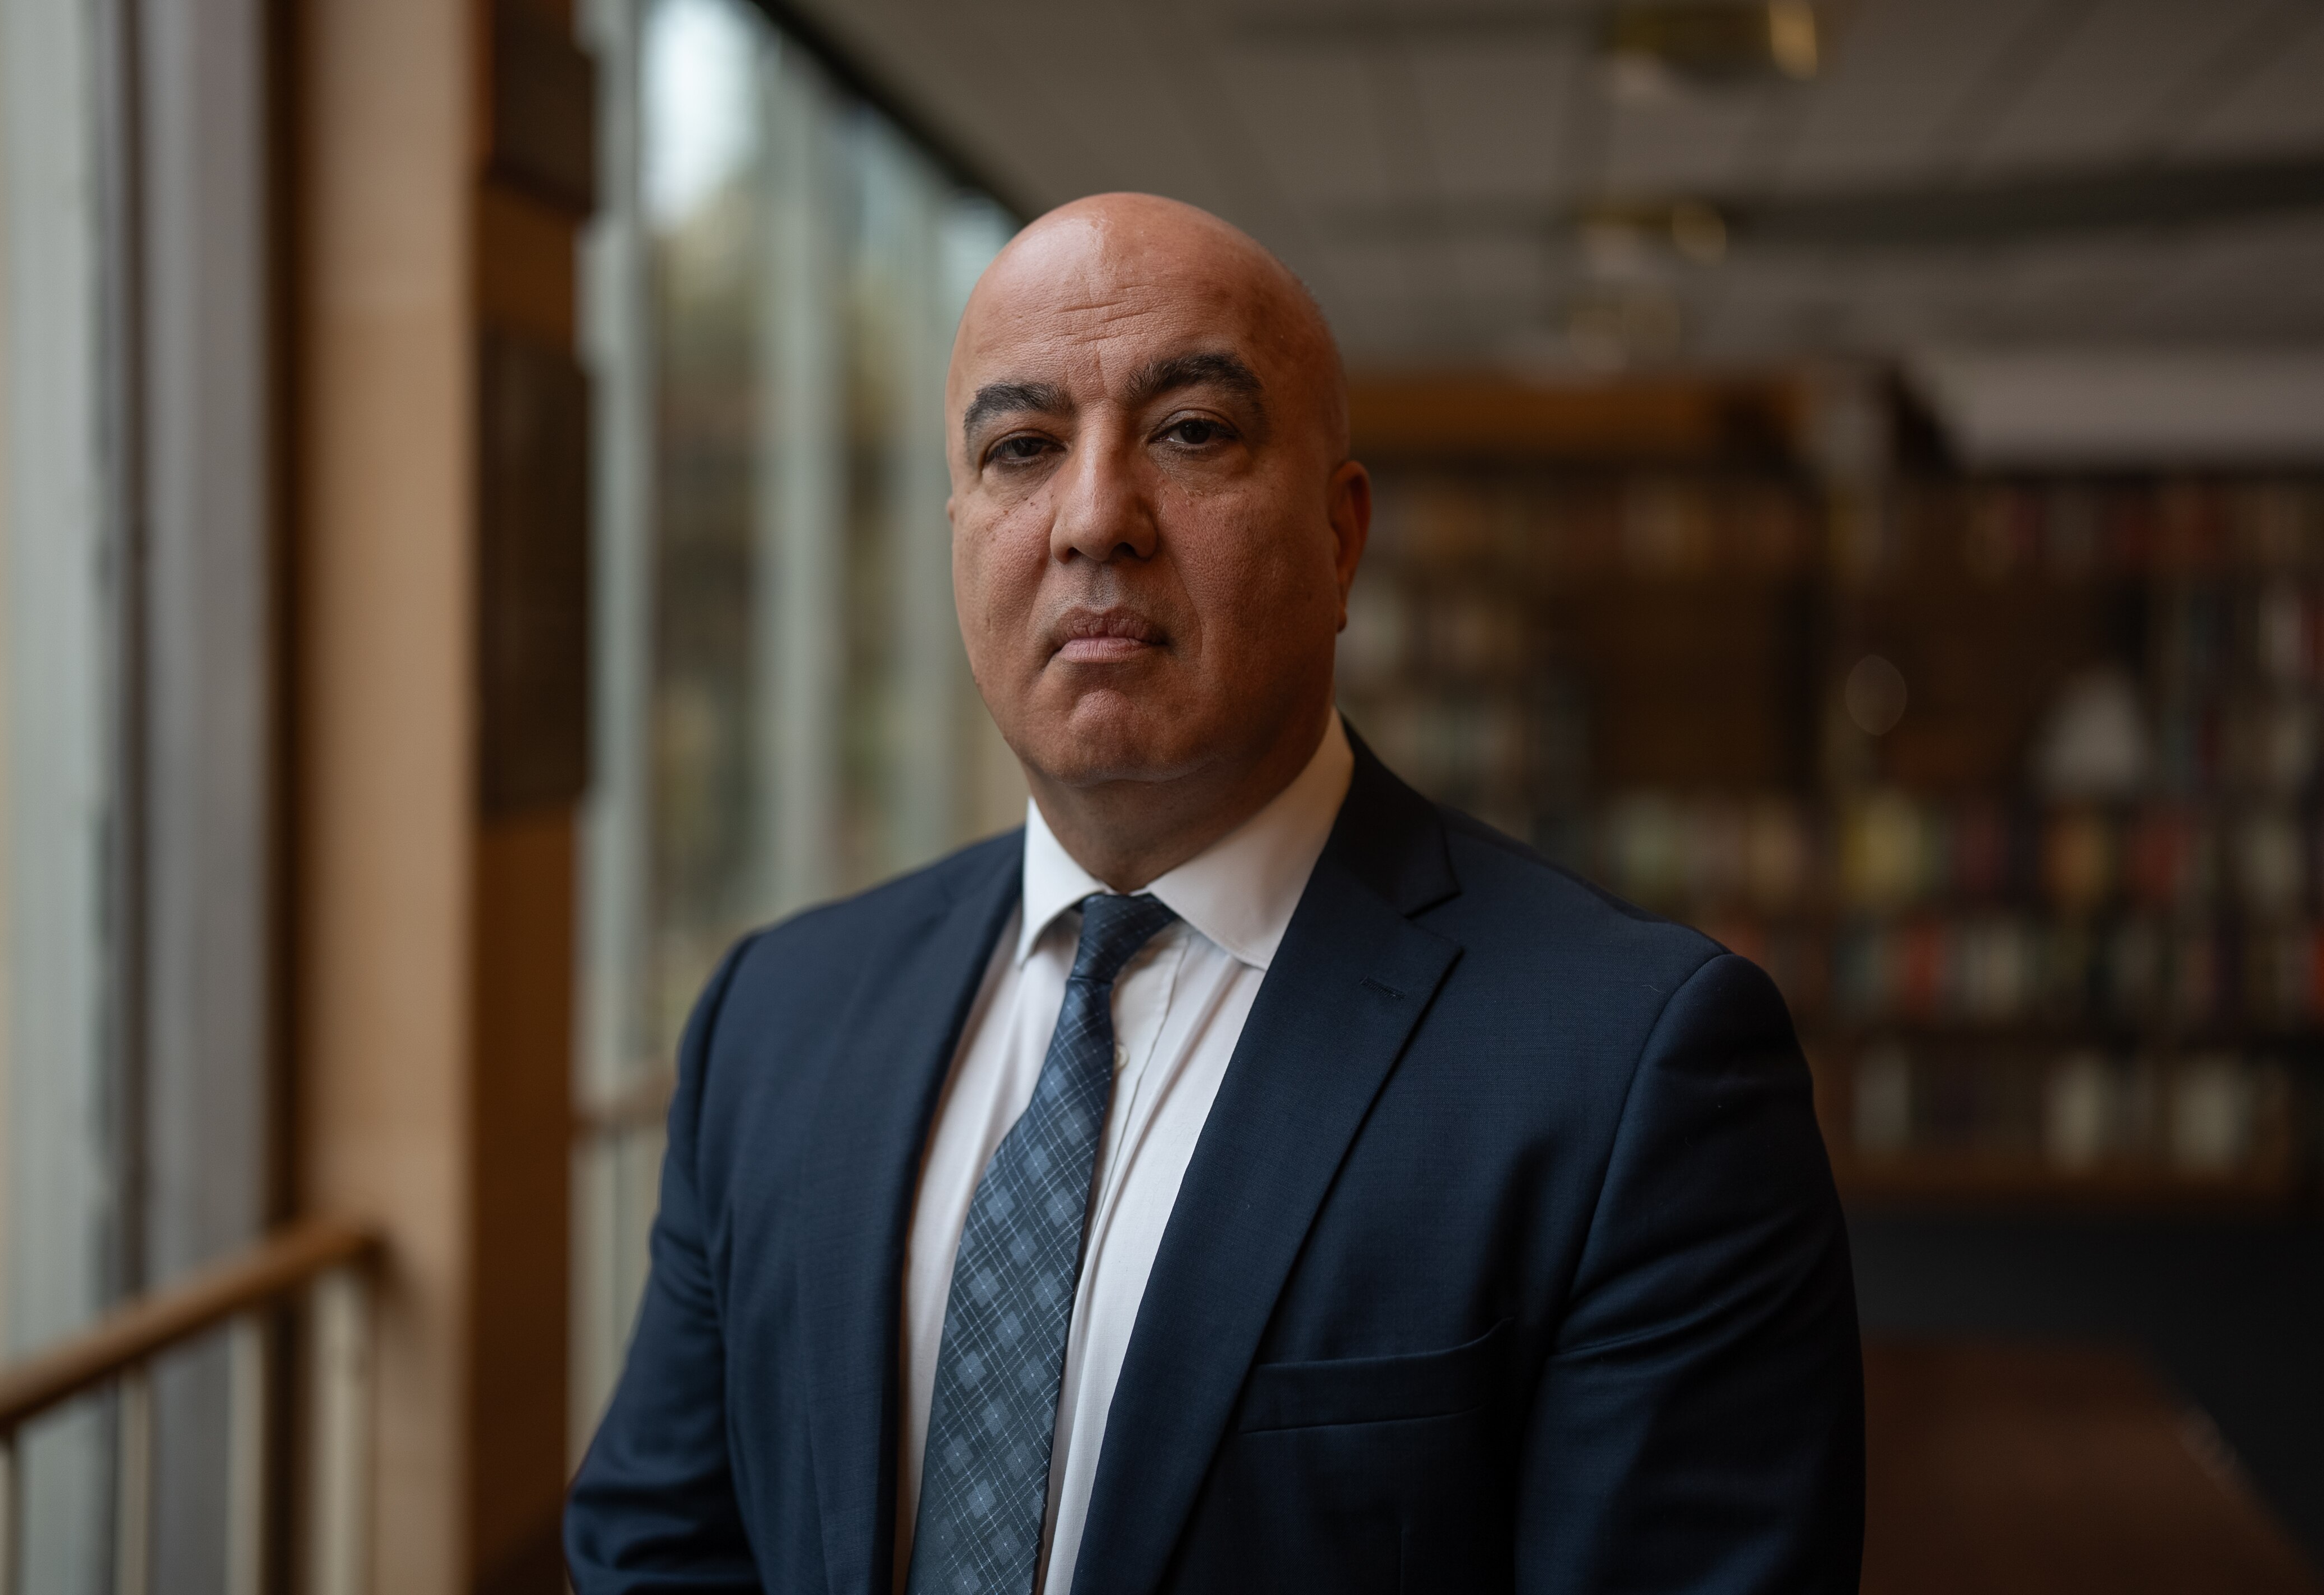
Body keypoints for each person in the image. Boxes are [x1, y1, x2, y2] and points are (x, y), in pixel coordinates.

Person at [565, 193, 1863, 1595]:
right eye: (1020, 448)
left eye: (1189, 433)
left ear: (1339, 534)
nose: (1093, 519)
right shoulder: (777, 1020)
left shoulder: (1629, 1071)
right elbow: (659, 1549)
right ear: (957, 533)